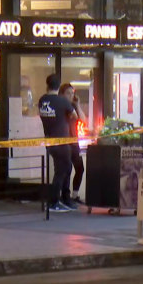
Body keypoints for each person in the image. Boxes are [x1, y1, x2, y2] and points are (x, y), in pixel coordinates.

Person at [39, 74, 76, 213]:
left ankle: (61, 199)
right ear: (58, 86)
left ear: (47, 85)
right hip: (62, 141)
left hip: (49, 141)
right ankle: (54, 202)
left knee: (61, 169)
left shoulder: (42, 100)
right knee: (63, 169)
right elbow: (74, 115)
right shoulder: (62, 101)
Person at [59, 83, 85, 206]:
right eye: (68, 93)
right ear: (62, 94)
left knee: (80, 168)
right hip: (65, 142)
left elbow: (83, 120)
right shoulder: (62, 107)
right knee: (67, 169)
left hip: (74, 141)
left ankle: (75, 194)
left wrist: (77, 104)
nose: (71, 95)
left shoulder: (73, 106)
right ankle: (65, 196)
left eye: (72, 93)